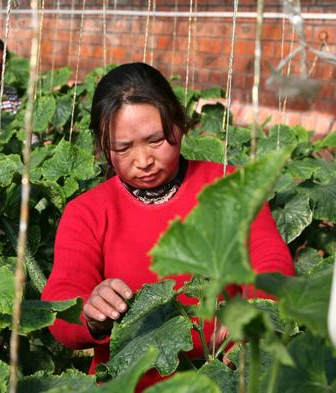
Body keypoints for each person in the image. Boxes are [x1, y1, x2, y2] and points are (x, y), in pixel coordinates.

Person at [41, 62, 294, 390]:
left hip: (224, 375)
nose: (143, 160)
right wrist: (90, 314)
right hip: (129, 383)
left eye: (156, 140)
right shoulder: (87, 212)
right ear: (104, 146)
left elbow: (272, 265)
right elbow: (61, 306)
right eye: (123, 148)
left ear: (179, 123)